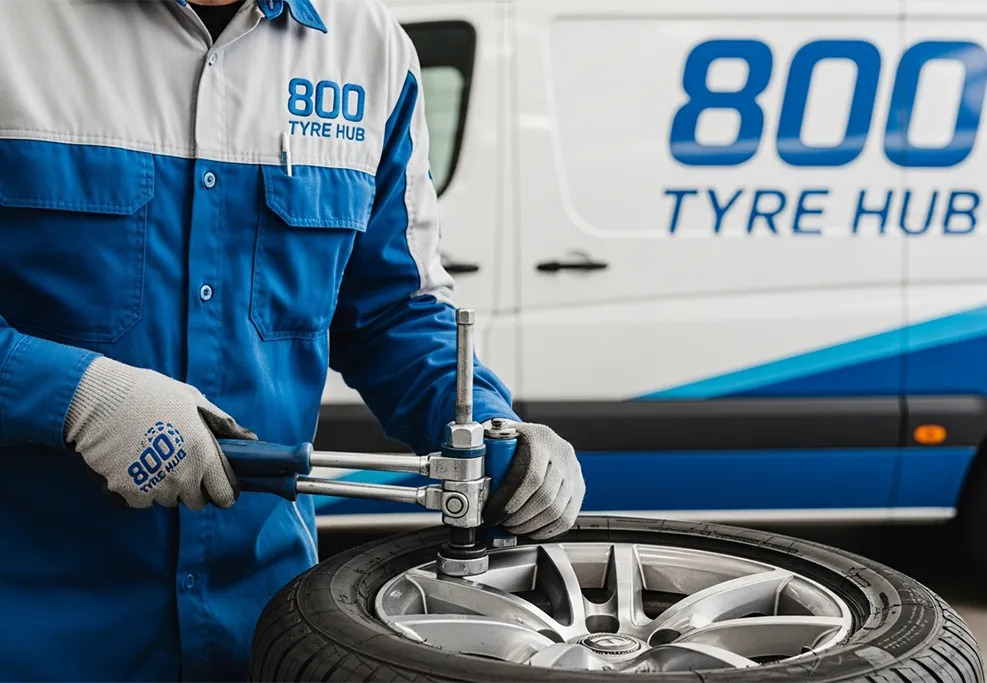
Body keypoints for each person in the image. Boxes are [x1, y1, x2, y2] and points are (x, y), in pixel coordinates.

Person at [0, 0, 585, 680]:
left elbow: (391, 309)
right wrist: (77, 396)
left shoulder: (369, 50)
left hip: (265, 632)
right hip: (31, 637)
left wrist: (490, 427)